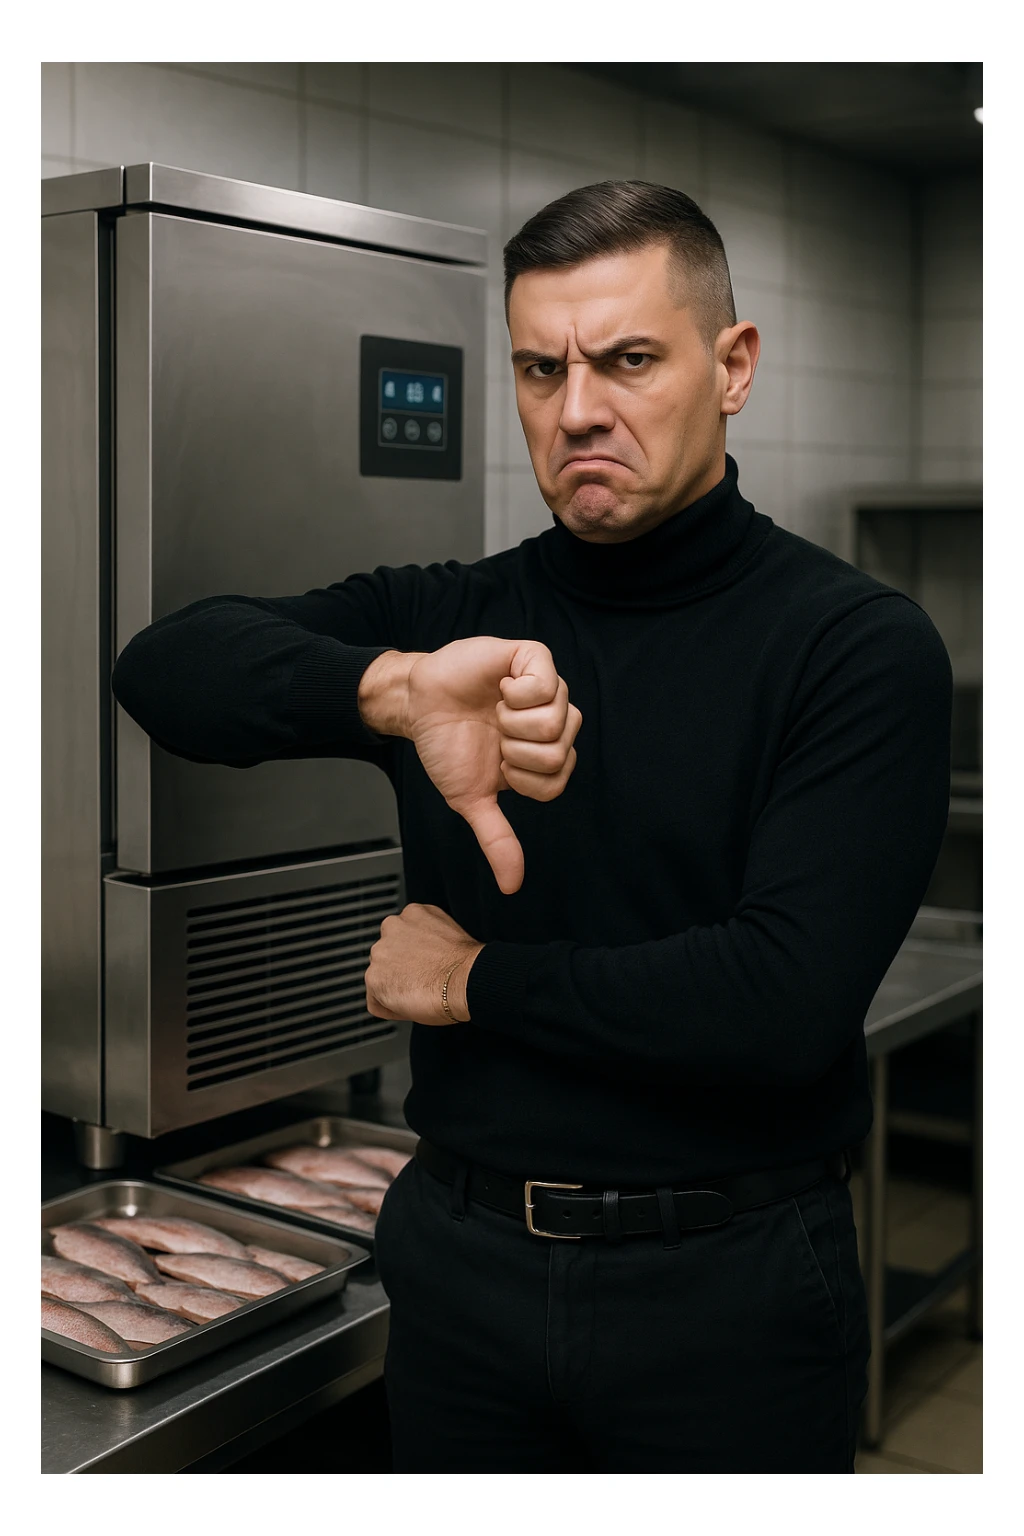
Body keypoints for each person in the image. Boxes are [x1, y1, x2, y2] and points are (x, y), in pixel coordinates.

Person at [111, 180, 952, 1473]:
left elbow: (779, 1004)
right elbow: (163, 668)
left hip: (726, 1291)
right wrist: (388, 690)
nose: (577, 412)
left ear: (734, 368)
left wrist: (471, 983)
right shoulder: (458, 626)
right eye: (540, 367)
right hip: (466, 1273)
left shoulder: (853, 647)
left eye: (626, 361)